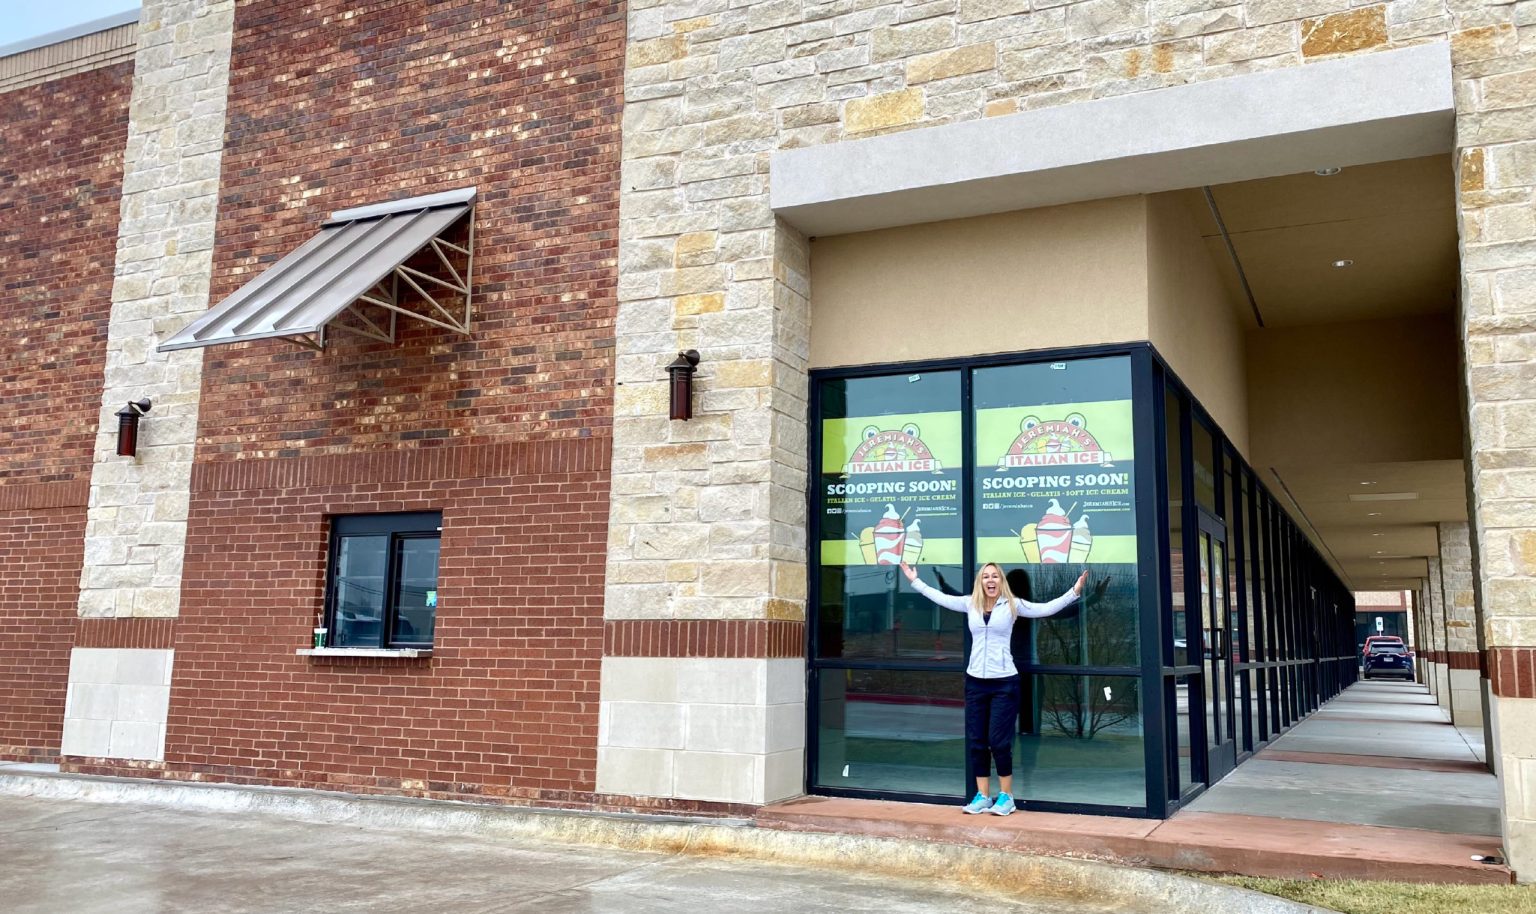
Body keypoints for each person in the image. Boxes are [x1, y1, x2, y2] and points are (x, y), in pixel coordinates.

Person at [900, 560, 1088, 816]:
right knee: (977, 741)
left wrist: (1074, 591)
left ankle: (1006, 797)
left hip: (1004, 683)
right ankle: (983, 796)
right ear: (981, 581)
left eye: (995, 576)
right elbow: (941, 598)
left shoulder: (1012, 605)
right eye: (986, 576)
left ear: (1001, 582)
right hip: (975, 682)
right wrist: (915, 581)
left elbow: (1046, 609)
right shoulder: (970, 603)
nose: (990, 580)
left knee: (998, 741)